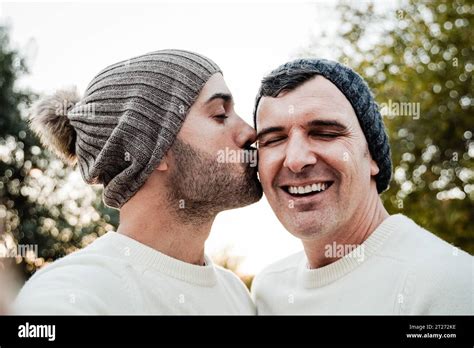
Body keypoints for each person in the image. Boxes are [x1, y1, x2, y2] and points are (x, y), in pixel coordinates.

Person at [14, 49, 262, 314]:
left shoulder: (236, 295)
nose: (250, 132)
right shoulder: (71, 293)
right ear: (152, 151)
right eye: (220, 115)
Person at [251, 58, 473, 314]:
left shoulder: (449, 285)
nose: (296, 160)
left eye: (326, 133)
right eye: (274, 139)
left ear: (374, 156)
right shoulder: (268, 291)